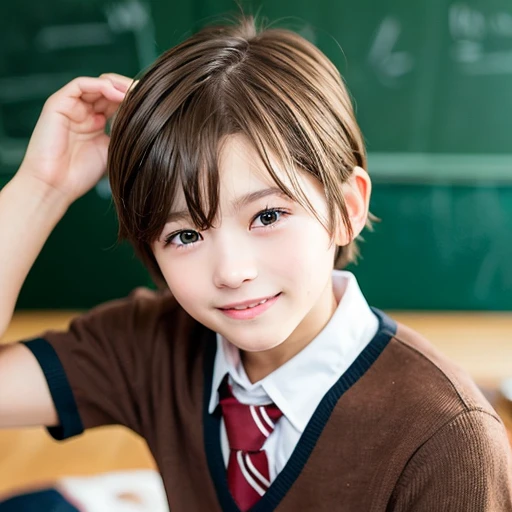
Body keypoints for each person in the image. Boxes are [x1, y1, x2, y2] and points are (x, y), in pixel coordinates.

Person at [0, 15, 511, 512]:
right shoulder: (155, 345)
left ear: (346, 209)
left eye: (267, 215)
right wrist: (41, 188)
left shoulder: (448, 440)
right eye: (186, 234)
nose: (231, 271)